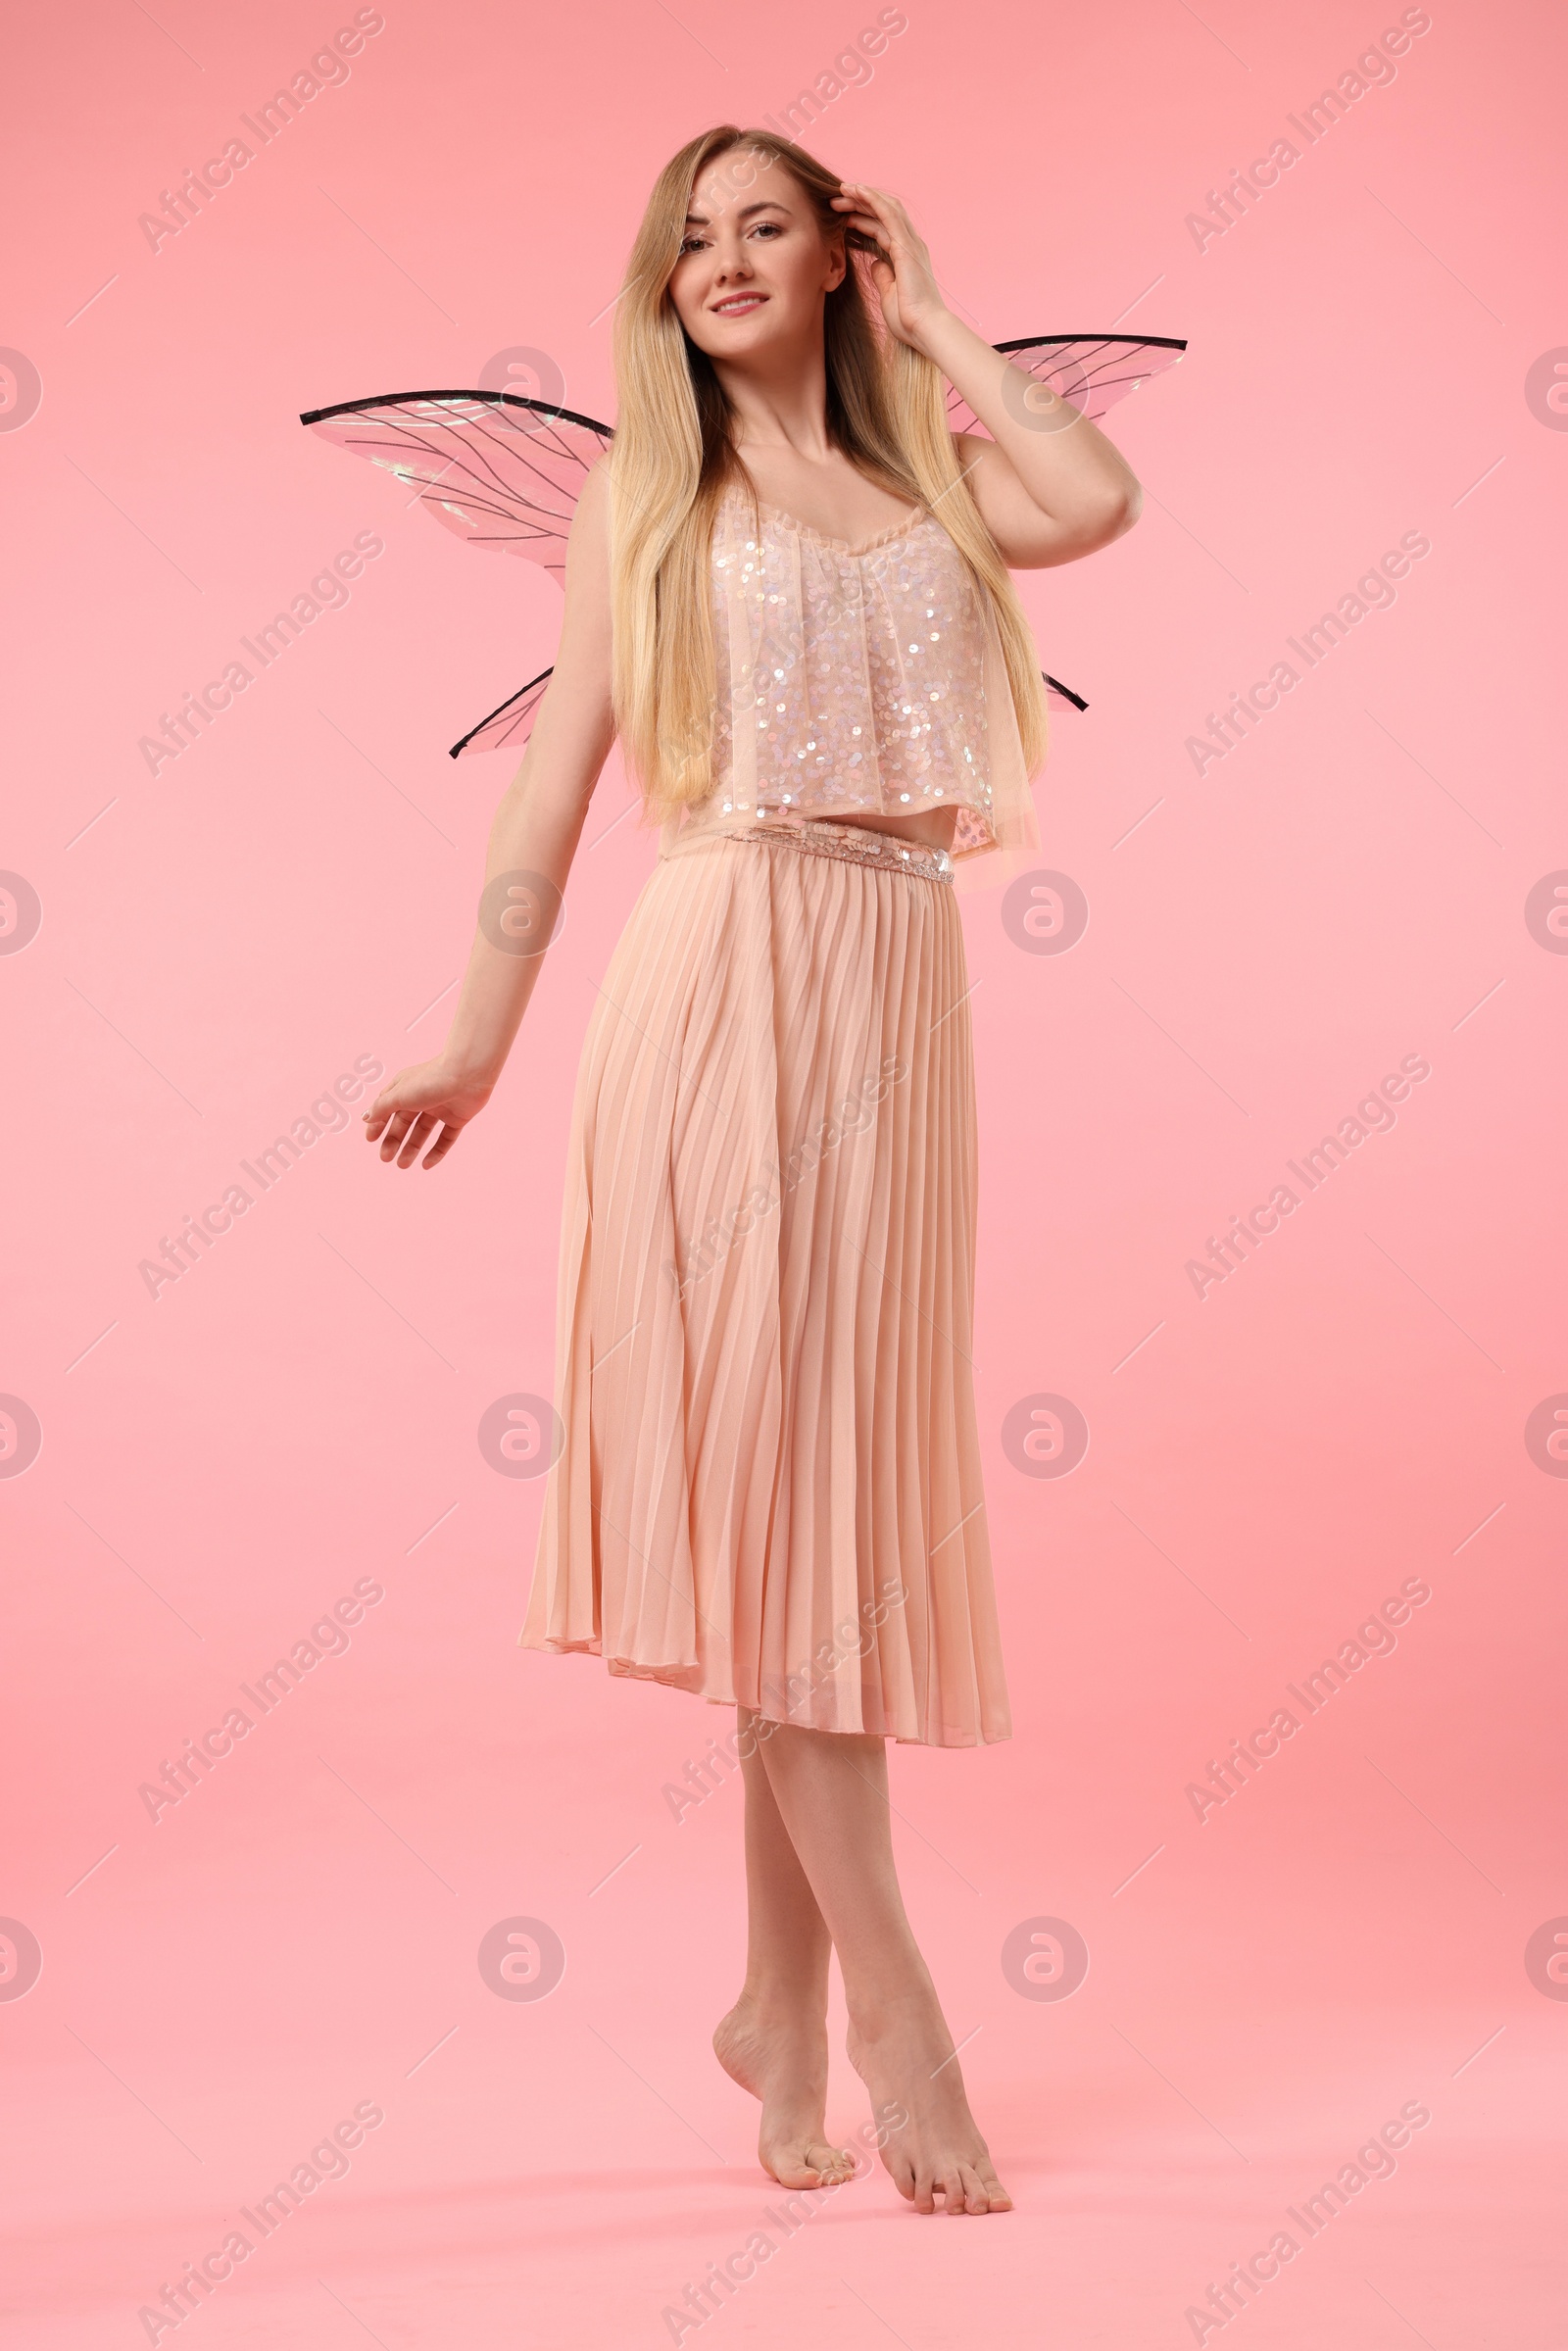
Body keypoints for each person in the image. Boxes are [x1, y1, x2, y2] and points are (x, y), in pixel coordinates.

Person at [362, 125, 1142, 2217]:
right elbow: (543, 807)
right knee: (775, 1502)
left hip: (893, 984)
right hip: (714, 985)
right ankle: (894, 2009)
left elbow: (1095, 490)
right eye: (688, 236)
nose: (719, 259)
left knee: (825, 1515)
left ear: (832, 259)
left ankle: (768, 2011)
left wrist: (939, 314)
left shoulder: (925, 489)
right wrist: (471, 1040)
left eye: (764, 227)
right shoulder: (648, 492)